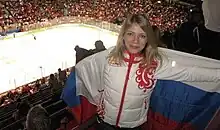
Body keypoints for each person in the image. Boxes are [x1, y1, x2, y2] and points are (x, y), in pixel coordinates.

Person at [75, 14, 220, 129]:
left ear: (148, 39)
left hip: (134, 126)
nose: (135, 41)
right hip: (104, 123)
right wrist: (99, 101)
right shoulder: (108, 57)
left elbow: (189, 72)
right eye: (131, 34)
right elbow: (89, 72)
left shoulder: (155, 64)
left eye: (142, 35)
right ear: (123, 35)